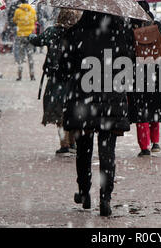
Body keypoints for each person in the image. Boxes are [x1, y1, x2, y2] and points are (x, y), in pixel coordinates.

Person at [63, 11, 133, 217]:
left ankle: (84, 192)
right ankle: (106, 198)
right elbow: (129, 67)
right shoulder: (120, 33)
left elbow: (65, 66)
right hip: (111, 99)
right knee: (107, 150)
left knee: (84, 149)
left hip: (83, 100)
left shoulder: (76, 32)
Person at [29, 8, 82, 155]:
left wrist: (30, 35)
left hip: (56, 78)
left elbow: (36, 41)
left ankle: (64, 144)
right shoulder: (78, 33)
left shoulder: (52, 31)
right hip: (75, 79)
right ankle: (73, 143)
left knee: (59, 112)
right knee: (74, 110)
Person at [127, 1, 161, 157]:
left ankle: (144, 146)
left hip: (138, 74)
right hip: (156, 72)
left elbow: (128, 53)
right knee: (154, 106)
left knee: (140, 110)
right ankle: (155, 141)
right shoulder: (158, 26)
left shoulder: (131, 28)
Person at [13, 1, 37, 81]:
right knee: (30, 56)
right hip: (30, 36)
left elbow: (15, 20)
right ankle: (32, 75)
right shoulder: (33, 10)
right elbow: (35, 20)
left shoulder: (18, 11)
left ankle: (19, 75)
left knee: (21, 56)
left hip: (20, 35)